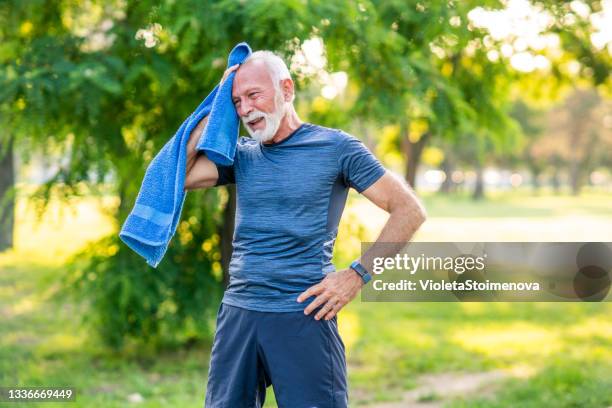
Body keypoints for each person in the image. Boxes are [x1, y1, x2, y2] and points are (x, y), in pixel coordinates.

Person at [184, 50, 427, 408]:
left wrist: (357, 275)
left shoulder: (336, 148)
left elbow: (409, 210)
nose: (246, 109)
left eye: (254, 95)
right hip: (239, 314)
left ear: (287, 89)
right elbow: (183, 173)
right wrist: (217, 104)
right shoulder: (241, 154)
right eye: (237, 101)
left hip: (305, 315)